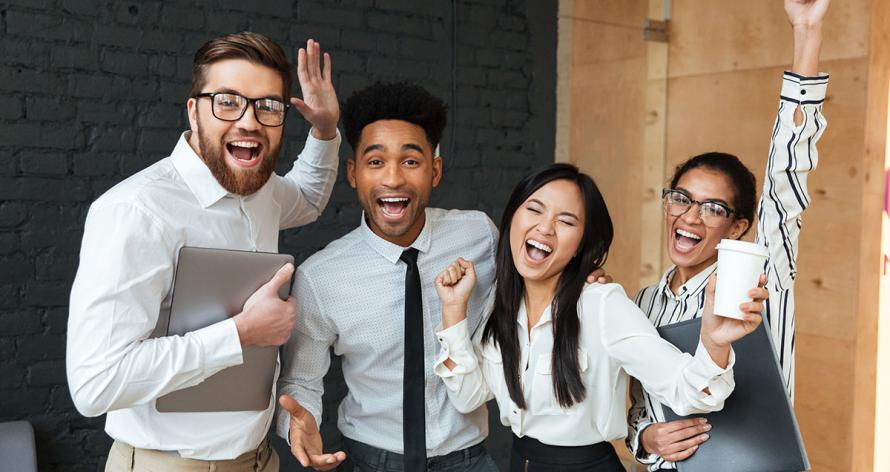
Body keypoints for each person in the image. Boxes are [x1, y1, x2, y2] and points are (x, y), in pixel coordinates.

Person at [67, 32, 341, 471]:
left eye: (267, 106)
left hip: (259, 461)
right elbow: (95, 384)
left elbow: (308, 198)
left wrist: (324, 130)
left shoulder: (263, 191)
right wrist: (241, 333)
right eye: (228, 101)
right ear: (194, 111)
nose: (249, 122)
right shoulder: (135, 212)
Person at [432, 163, 768, 471]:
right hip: (521, 462)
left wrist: (713, 343)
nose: (545, 228)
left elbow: (688, 391)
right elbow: (467, 396)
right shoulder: (500, 303)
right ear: (512, 219)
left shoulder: (603, 305)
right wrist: (453, 311)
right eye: (534, 210)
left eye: (565, 221)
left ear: (580, 243)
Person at [625, 0, 830, 469]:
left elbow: (787, 178)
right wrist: (646, 439)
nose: (690, 217)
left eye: (713, 208)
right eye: (681, 198)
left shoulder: (759, 282)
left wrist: (806, 34)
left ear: (739, 226)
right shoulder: (643, 303)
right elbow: (639, 410)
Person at [275, 81, 501, 472]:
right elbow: (302, 381)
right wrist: (298, 422)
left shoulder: (480, 236)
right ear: (353, 173)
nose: (393, 179)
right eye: (375, 161)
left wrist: (585, 277)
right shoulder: (320, 277)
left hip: (469, 460)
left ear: (435, 170)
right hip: (370, 462)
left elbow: (535, 289)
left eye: (411, 161)